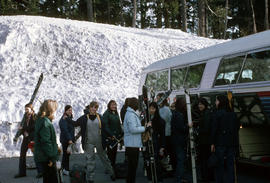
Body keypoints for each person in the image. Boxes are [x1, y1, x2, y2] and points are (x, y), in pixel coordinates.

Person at [74, 101, 115, 183]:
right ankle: (90, 178)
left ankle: (112, 173)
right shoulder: (84, 118)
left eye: (95, 107)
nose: (94, 109)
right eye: (92, 107)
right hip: (89, 142)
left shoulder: (99, 117)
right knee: (90, 161)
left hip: (99, 141)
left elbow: (105, 127)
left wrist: (111, 135)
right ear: (89, 108)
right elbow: (75, 123)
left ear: (97, 109)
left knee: (104, 158)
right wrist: (67, 118)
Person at [210, 95, 240, 183]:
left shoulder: (217, 114)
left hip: (220, 143)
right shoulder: (233, 114)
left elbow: (214, 129)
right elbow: (237, 127)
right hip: (231, 143)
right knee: (230, 165)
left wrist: (212, 143)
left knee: (220, 165)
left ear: (220, 102)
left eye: (216, 101)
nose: (215, 103)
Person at [34, 99, 60, 183]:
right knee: (52, 180)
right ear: (51, 110)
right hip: (47, 158)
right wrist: (52, 157)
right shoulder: (45, 122)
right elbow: (46, 142)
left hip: (44, 157)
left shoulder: (42, 120)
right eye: (55, 109)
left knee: (47, 179)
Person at [124, 97, 147, 183]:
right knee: (132, 168)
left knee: (132, 168)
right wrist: (145, 128)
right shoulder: (130, 115)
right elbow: (133, 129)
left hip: (132, 144)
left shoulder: (131, 114)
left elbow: (134, 124)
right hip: (132, 144)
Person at [13, 103, 37, 178]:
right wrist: (22, 129)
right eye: (25, 109)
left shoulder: (35, 117)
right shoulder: (25, 116)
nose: (26, 111)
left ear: (31, 109)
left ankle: (41, 171)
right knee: (22, 154)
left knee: (37, 155)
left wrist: (28, 134)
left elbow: (36, 129)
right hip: (26, 139)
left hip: (33, 139)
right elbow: (24, 127)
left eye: (27, 109)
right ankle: (22, 172)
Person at [145, 102, 165, 182]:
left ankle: (158, 179)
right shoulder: (147, 119)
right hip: (149, 143)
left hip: (156, 144)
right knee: (149, 162)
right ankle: (151, 177)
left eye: (153, 108)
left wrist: (162, 147)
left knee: (156, 163)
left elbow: (162, 135)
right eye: (150, 108)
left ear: (156, 109)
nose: (151, 110)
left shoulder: (159, 120)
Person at [171, 98, 188, 183]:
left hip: (175, 139)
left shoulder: (175, 113)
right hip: (180, 140)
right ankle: (179, 178)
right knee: (181, 159)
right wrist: (188, 126)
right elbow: (181, 128)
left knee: (179, 159)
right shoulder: (179, 115)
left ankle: (179, 177)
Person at [103, 100, 123, 169]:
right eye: (112, 105)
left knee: (114, 153)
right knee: (110, 153)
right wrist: (111, 134)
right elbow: (105, 126)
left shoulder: (115, 113)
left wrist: (121, 133)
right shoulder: (106, 114)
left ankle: (112, 166)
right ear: (109, 106)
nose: (114, 106)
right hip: (110, 137)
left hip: (116, 137)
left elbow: (118, 124)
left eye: (115, 105)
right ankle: (109, 168)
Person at [157, 93, 174, 173]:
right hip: (162, 133)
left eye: (158, 99)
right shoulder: (160, 109)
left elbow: (163, 120)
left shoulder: (166, 109)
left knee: (165, 151)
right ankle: (165, 167)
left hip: (166, 133)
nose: (157, 100)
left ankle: (168, 168)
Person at [197, 98, 212, 182]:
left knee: (204, 159)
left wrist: (198, 130)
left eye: (201, 104)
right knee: (206, 159)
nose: (199, 106)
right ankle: (207, 176)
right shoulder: (206, 113)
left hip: (205, 141)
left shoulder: (206, 114)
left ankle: (205, 177)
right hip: (206, 140)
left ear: (205, 105)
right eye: (199, 104)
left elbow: (206, 128)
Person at [59, 105, 75, 175]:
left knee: (66, 155)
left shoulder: (69, 118)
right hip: (66, 140)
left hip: (68, 139)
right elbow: (65, 130)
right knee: (66, 155)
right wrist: (69, 139)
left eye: (71, 110)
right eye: (69, 110)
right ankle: (66, 169)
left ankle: (63, 168)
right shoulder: (63, 119)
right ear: (65, 111)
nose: (70, 111)